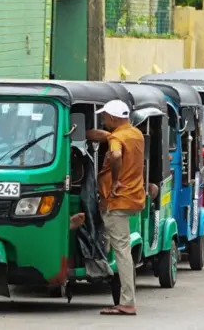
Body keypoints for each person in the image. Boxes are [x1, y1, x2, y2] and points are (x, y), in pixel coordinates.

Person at [85, 100, 145, 316]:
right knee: (120, 247)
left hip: (117, 200)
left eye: (105, 117)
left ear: (112, 118)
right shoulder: (134, 134)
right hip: (133, 198)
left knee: (122, 251)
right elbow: (110, 136)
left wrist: (116, 179)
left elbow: (117, 154)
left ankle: (127, 302)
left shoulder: (117, 139)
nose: (103, 120)